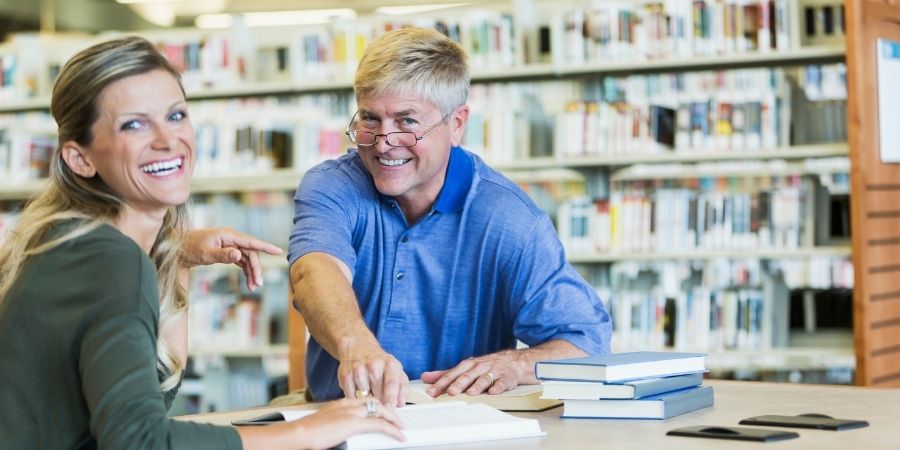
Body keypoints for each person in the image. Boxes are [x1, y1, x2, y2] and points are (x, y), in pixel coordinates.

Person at [0, 36, 404, 450]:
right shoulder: (109, 261)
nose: (166, 139)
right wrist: (307, 432)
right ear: (80, 158)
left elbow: (152, 401)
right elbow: (140, 441)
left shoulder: (62, 240)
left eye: (175, 115)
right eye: (134, 124)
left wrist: (176, 256)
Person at [288, 27, 612, 407]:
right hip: (340, 418)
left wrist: (517, 364)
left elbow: (586, 342)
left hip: (461, 425)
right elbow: (315, 270)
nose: (382, 142)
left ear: (456, 124)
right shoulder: (332, 185)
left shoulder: (509, 220)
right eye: (370, 119)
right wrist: (356, 346)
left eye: (407, 121)